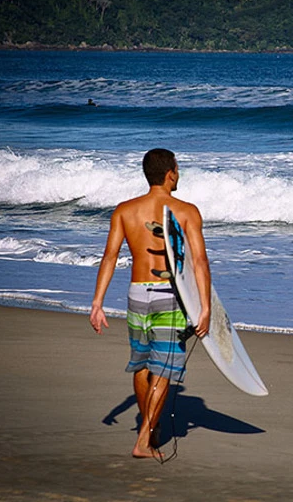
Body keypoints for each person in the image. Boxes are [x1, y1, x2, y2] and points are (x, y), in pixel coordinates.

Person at [89, 148, 212, 459]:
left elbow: (110, 257)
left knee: (141, 365)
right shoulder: (186, 211)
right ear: (170, 173)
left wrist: (97, 303)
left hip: (136, 294)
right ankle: (143, 441)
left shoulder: (125, 210)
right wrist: (205, 307)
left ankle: (150, 427)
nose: (179, 174)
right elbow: (198, 261)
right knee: (163, 370)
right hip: (168, 297)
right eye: (178, 169)